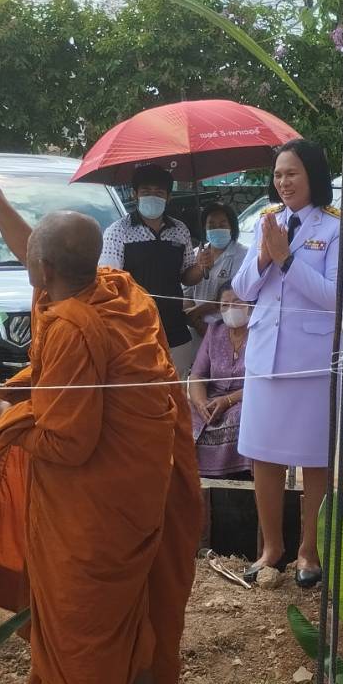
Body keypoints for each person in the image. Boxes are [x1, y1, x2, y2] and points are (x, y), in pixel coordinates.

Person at [0, 144, 201, 684]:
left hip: (91, 520)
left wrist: (2, 411)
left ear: (40, 274)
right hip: (136, 504)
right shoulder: (119, 292)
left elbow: (67, 441)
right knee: (129, 635)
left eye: (32, 262)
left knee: (92, 645)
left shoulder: (71, 325)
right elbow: (42, 249)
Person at [231, 139, 341, 588]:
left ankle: (309, 551)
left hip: (309, 361)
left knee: (315, 458)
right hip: (265, 357)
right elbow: (243, 289)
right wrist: (263, 255)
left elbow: (334, 296)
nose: (283, 182)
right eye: (278, 174)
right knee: (265, 456)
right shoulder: (267, 222)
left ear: (312, 175)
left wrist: (287, 259)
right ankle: (271, 547)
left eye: (291, 173)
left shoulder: (336, 226)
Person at [100, 164, 212, 377]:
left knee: (175, 390)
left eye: (159, 193)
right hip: (133, 332)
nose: (153, 197)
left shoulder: (180, 230)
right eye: (146, 192)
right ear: (135, 195)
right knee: (142, 395)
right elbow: (109, 284)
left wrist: (201, 266)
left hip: (175, 327)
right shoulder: (117, 232)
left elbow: (187, 277)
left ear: (169, 197)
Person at [190, 285, 252, 480]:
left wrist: (228, 401)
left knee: (243, 416)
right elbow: (197, 375)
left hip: (244, 397)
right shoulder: (214, 331)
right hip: (211, 397)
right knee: (180, 409)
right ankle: (193, 475)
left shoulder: (259, 332)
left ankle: (237, 474)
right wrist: (201, 404)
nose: (231, 309)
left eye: (237, 303)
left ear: (250, 305)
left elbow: (262, 381)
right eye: (225, 305)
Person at [182, 202, 247, 336]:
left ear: (232, 228)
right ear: (204, 229)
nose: (217, 229)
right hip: (196, 329)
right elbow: (186, 293)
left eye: (222, 225)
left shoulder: (243, 255)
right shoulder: (195, 254)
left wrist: (200, 310)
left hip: (227, 329)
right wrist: (196, 321)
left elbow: (238, 294)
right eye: (211, 225)